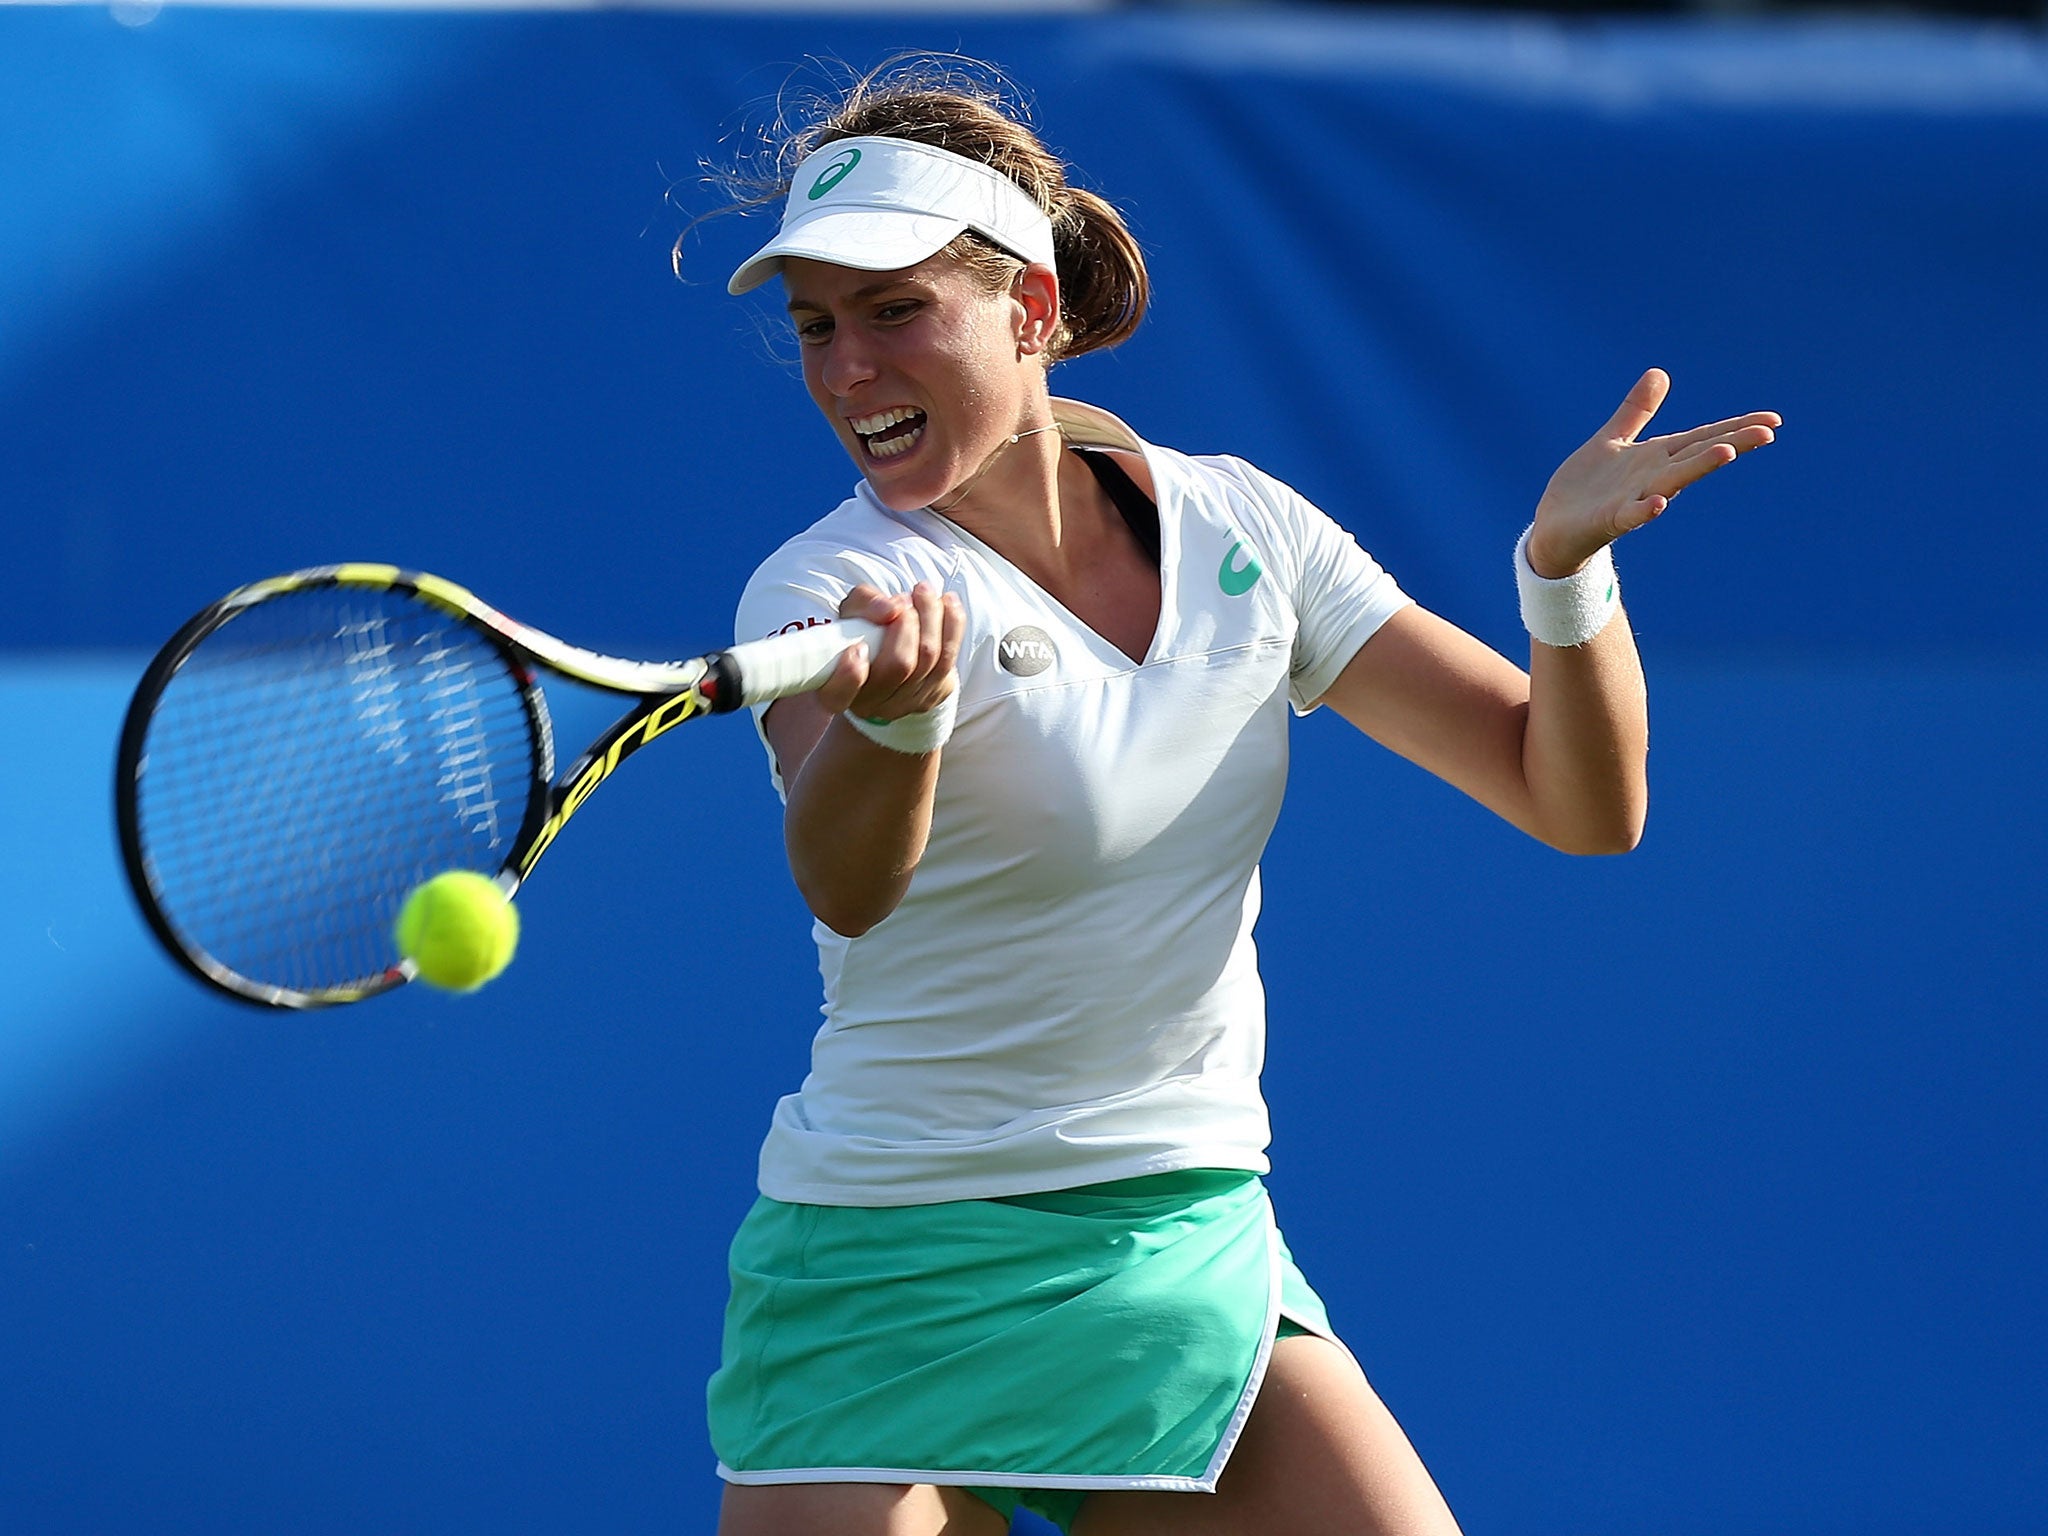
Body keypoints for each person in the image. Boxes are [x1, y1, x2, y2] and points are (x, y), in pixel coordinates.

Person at [698, 58, 1778, 1536]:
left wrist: (1565, 577)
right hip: (885, 1263)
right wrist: (898, 729)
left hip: (1176, 1233)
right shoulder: (830, 586)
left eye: (897, 311)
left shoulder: (1244, 530)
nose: (848, 372)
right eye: (817, 328)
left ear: (1031, 310)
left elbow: (1577, 798)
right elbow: (846, 885)